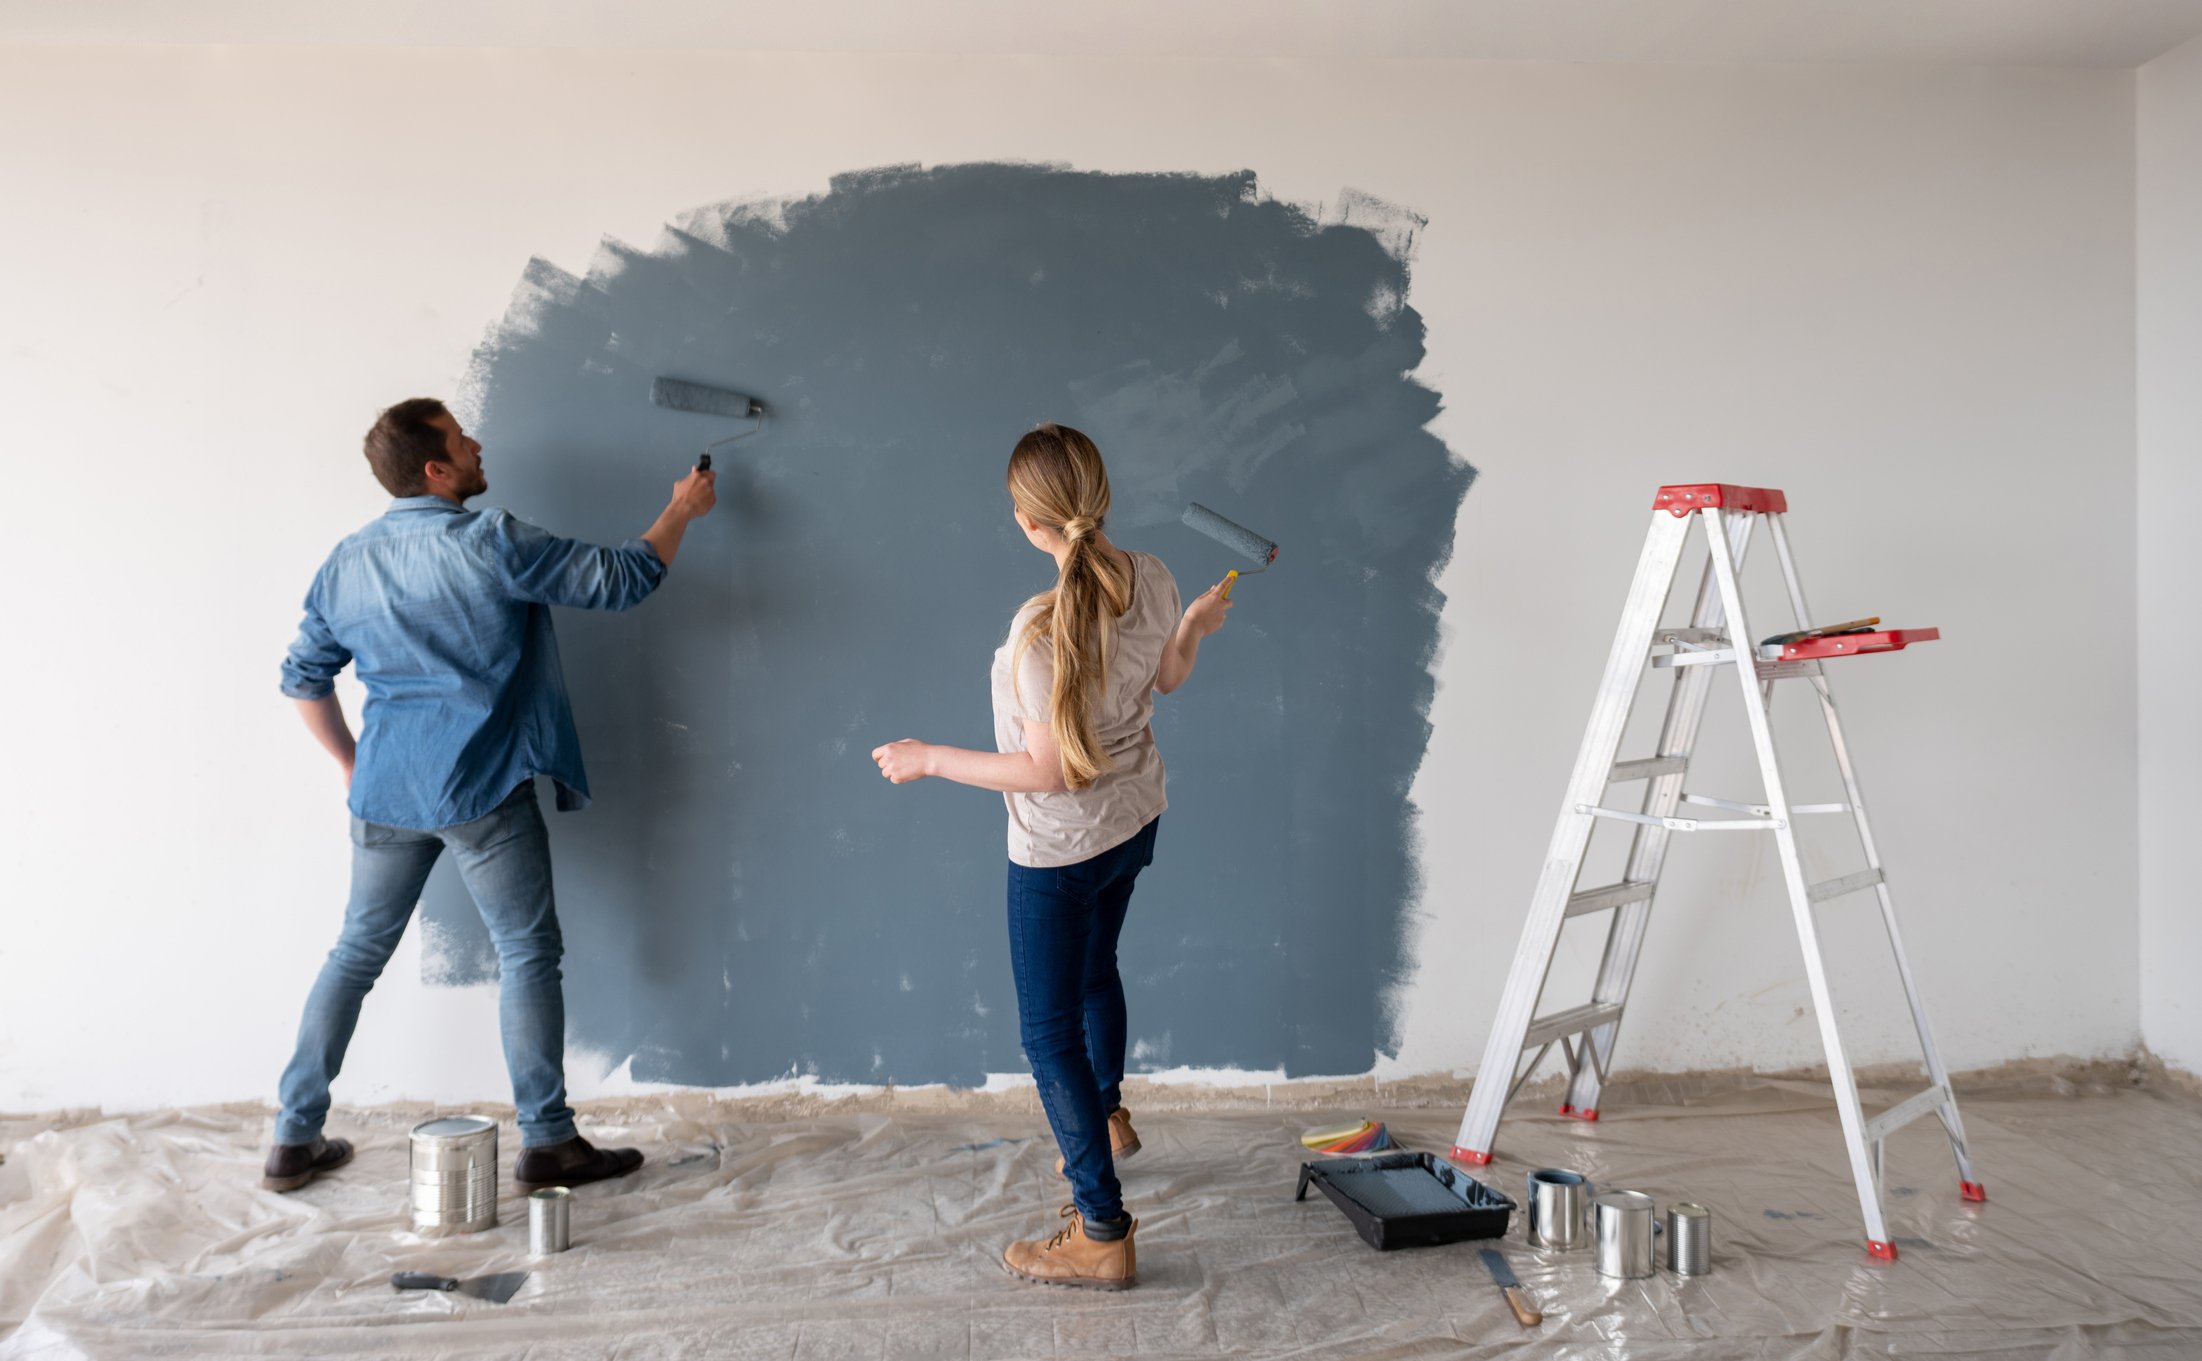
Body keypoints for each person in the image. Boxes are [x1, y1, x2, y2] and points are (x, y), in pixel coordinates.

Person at [264, 397, 716, 1194]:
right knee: (527, 952)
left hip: (386, 791)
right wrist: (681, 508)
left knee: (354, 954)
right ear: (436, 470)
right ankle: (547, 1143)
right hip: (481, 789)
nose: (477, 446)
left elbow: (303, 676)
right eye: (460, 440)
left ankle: (292, 1139)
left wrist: (349, 762)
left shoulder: (348, 559)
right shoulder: (489, 540)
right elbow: (624, 578)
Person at [871, 423, 1231, 1290]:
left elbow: (1050, 771)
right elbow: (1167, 678)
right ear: (1099, 499)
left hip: (1061, 852)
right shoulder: (1154, 575)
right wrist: (1192, 627)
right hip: (1135, 823)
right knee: (1096, 966)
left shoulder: (1039, 633)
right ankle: (1106, 1112)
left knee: (1045, 1031)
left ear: (1031, 521)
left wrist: (929, 758)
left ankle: (1101, 1229)